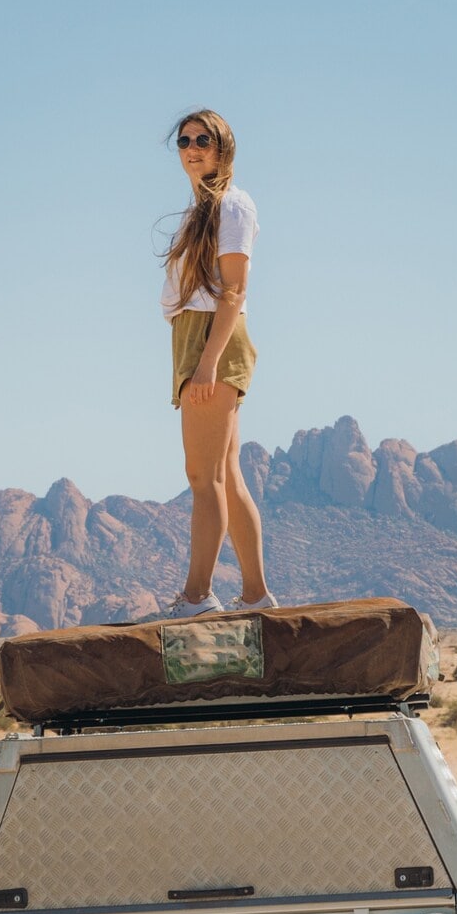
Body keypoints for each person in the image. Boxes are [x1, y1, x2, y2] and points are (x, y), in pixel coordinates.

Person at [156, 109, 276, 619]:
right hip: (196, 338)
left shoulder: (233, 204)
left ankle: (197, 596)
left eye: (202, 139)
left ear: (223, 146)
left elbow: (234, 290)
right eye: (183, 141)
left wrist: (206, 365)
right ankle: (255, 596)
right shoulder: (201, 211)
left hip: (212, 339)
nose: (191, 147)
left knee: (202, 476)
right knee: (226, 471)